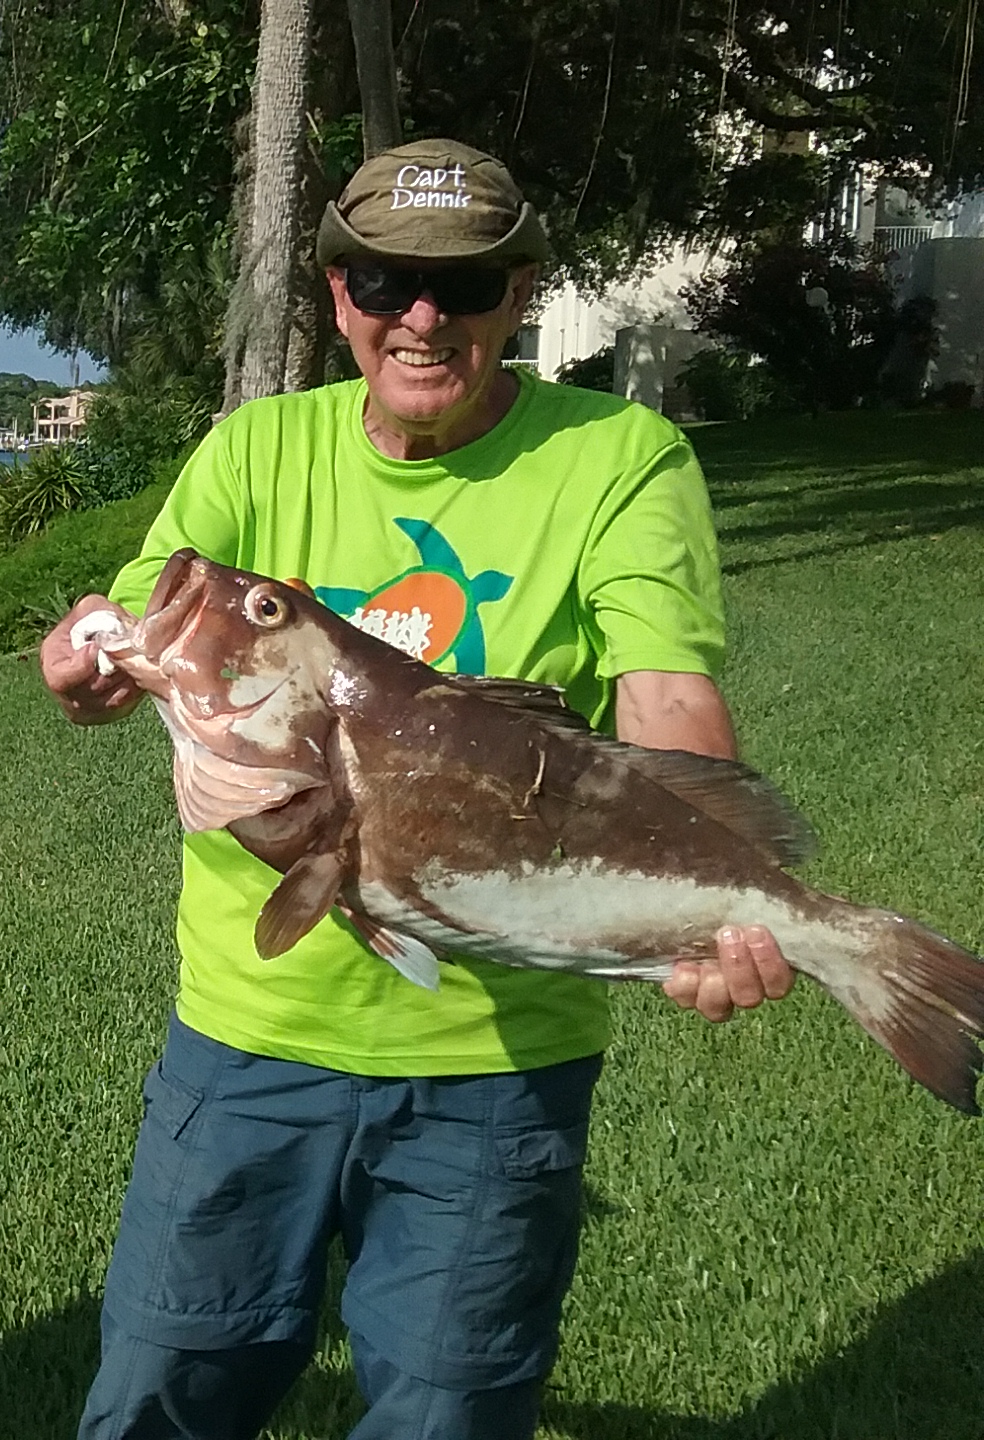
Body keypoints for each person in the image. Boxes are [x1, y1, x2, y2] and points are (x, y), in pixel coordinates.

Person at [45, 139, 798, 1440]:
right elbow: (130, 617)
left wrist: (729, 889)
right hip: (246, 1036)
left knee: (447, 1414)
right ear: (338, 291)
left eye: (466, 284)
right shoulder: (253, 450)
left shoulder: (619, 455)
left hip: (498, 1067)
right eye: (386, 282)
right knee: (162, 1392)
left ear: (523, 291)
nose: (422, 317)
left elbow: (663, 696)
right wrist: (83, 660)